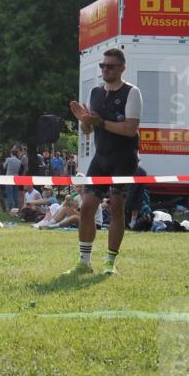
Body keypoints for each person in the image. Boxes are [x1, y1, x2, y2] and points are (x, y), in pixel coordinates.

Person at [67, 47, 142, 275]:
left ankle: (110, 262)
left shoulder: (132, 92)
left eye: (110, 66)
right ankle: (84, 262)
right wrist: (84, 121)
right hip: (101, 157)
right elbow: (88, 131)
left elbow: (130, 129)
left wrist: (100, 123)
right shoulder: (95, 92)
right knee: (87, 207)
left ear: (122, 68)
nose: (105, 69)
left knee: (117, 208)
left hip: (124, 158)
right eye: (102, 66)